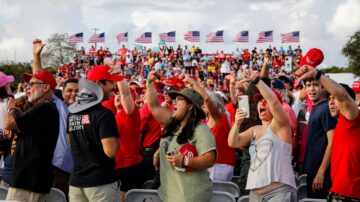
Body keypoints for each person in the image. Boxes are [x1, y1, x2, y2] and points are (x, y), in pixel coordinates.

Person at [146, 71, 217, 202]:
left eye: (179, 99)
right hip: (170, 195)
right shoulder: (174, 124)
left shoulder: (201, 130)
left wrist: (185, 161)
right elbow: (154, 106)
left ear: (190, 106)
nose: (174, 103)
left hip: (190, 197)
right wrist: (149, 82)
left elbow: (210, 159)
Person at [228, 77, 297, 201]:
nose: (262, 103)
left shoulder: (281, 125)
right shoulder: (254, 129)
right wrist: (236, 124)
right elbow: (233, 142)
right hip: (255, 195)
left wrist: (257, 81)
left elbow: (274, 102)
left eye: (265, 100)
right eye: (259, 101)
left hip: (278, 193)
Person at [297, 67, 360, 201]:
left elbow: (342, 96)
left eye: (334, 98)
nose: (330, 102)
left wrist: (316, 74)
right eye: (329, 97)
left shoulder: (352, 119)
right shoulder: (340, 123)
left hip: (350, 193)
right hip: (338, 191)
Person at [4, 70, 60, 201]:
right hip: (31, 181)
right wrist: (15, 116)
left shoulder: (44, 108)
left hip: (27, 182)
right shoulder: (44, 108)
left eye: (33, 84)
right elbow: (12, 127)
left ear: (46, 87)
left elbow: (8, 124)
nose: (27, 87)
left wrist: (11, 108)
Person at [67, 78, 121, 202]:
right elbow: (110, 151)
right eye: (110, 84)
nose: (112, 88)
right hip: (101, 182)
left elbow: (71, 142)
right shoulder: (104, 114)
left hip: (77, 180)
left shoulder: (71, 115)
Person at [298, 49, 337, 199]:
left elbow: (332, 142)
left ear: (324, 88)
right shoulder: (315, 108)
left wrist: (321, 172)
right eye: (308, 85)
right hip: (313, 170)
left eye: (315, 85)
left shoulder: (327, 108)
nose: (311, 89)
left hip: (322, 173)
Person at [185, 76, 235, 181]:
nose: (202, 105)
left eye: (204, 103)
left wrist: (193, 83)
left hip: (220, 164)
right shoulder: (208, 120)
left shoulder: (221, 116)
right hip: (213, 164)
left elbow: (207, 100)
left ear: (214, 104)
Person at [114, 79, 146, 202]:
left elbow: (125, 94)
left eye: (120, 94)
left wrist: (118, 76)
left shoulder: (131, 113)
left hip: (128, 166)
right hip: (119, 166)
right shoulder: (116, 115)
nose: (118, 95)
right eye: (116, 94)